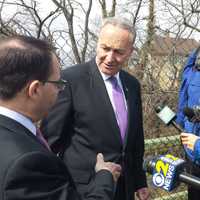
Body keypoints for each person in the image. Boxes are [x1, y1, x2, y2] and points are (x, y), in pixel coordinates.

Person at [0, 35, 122, 200]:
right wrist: (104, 176)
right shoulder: (28, 164)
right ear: (35, 90)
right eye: (58, 84)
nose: (60, 90)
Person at [41, 17, 149, 200]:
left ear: (130, 52)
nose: (110, 58)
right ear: (97, 43)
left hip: (124, 187)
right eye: (105, 48)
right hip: (84, 189)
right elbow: (49, 141)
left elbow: (136, 138)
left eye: (118, 52)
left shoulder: (132, 85)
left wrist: (139, 180)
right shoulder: (71, 80)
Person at [177, 47, 200, 200]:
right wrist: (181, 125)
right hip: (190, 140)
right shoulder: (191, 72)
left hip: (195, 141)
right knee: (193, 188)